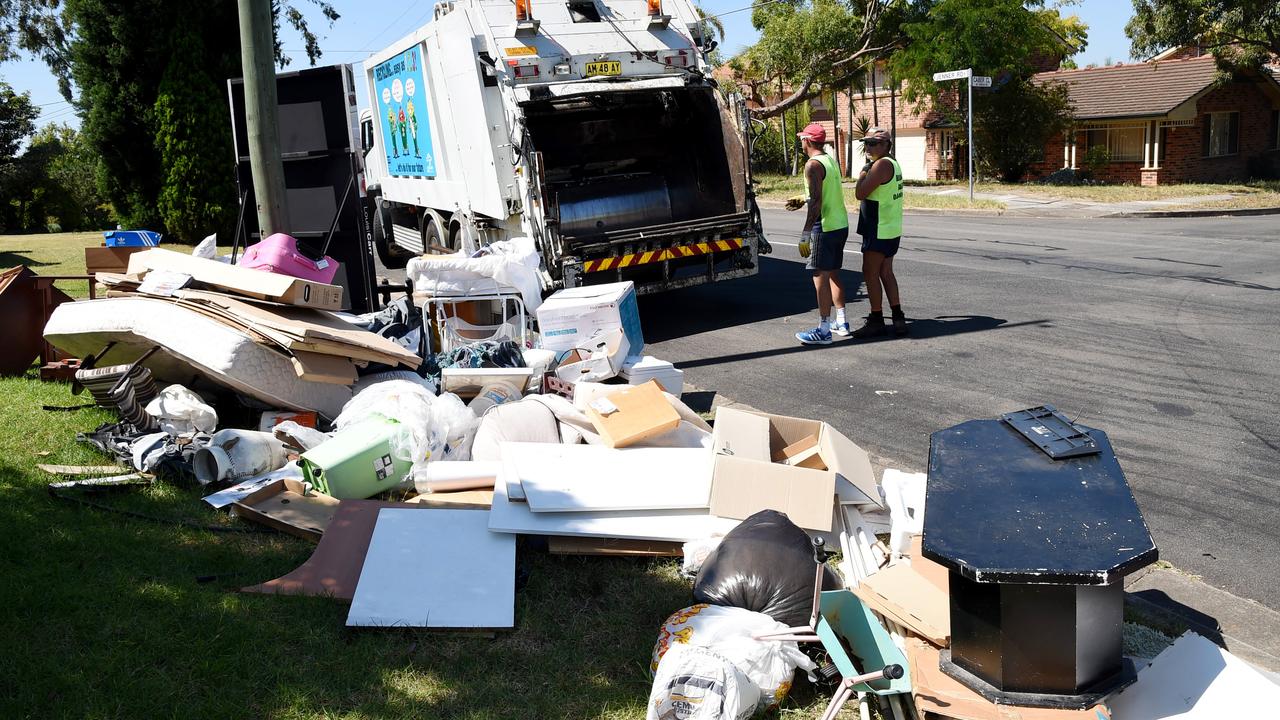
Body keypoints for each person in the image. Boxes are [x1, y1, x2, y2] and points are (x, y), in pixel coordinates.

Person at [788, 122, 850, 346]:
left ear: (807, 140)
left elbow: (816, 202)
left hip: (823, 227)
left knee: (819, 277)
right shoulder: (829, 160)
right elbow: (822, 193)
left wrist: (805, 232)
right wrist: (801, 198)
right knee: (833, 273)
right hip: (840, 224)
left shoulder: (812, 165)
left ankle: (824, 330)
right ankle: (841, 322)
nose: (801, 142)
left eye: (802, 139)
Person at [852, 127, 907, 338]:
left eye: (874, 143)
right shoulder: (892, 163)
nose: (868, 146)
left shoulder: (881, 164)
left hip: (878, 228)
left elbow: (860, 192)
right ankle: (898, 317)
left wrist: (864, 172)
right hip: (891, 228)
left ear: (886, 145)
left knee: (870, 273)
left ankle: (876, 319)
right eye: (866, 142)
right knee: (886, 272)